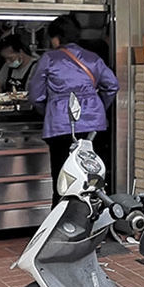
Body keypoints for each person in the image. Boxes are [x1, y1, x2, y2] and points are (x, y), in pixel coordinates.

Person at [28, 16, 119, 205]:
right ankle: (95, 218)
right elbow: (112, 86)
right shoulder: (92, 58)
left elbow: (35, 96)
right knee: (93, 176)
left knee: (64, 178)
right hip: (94, 127)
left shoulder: (49, 59)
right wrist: (98, 108)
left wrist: (50, 112)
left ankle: (62, 221)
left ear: (56, 38)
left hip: (61, 127)